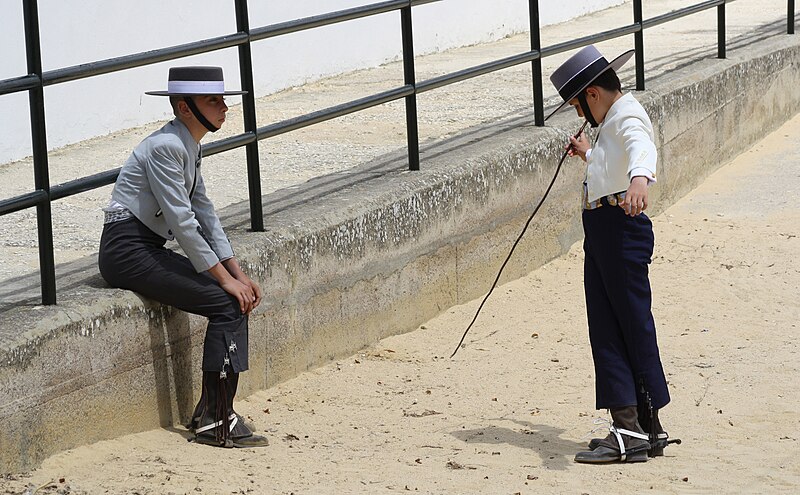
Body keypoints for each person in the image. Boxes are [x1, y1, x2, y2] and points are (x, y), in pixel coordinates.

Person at [98, 66, 268, 448]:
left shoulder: (188, 144)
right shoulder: (166, 148)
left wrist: (237, 273)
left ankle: (214, 413)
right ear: (184, 107)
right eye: (214, 101)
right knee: (226, 303)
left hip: (146, 247)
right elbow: (183, 222)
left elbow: (205, 212)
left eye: (223, 99)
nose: (225, 108)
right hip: (125, 251)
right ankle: (215, 418)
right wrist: (225, 281)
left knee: (233, 299)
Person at [546, 45, 675, 463]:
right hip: (605, 230)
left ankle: (629, 428)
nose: (580, 115)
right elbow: (616, 156)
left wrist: (641, 178)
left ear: (593, 95)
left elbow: (640, 146)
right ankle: (642, 424)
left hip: (620, 229)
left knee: (619, 326)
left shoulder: (627, 115)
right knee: (617, 322)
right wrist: (589, 155)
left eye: (578, 106)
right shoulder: (611, 120)